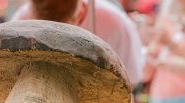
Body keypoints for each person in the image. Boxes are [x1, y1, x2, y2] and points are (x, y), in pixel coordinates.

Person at [13, 0, 144, 87]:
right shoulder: (21, 22)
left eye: (62, 26)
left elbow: (130, 80)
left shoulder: (115, 23)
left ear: (79, 13)